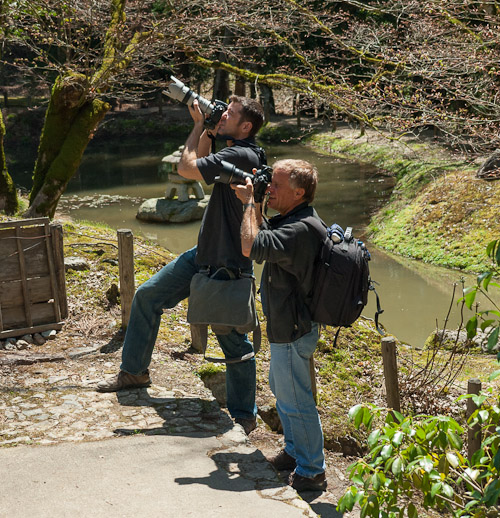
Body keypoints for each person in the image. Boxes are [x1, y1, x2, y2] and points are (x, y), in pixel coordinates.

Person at [97, 94, 266, 435]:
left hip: (228, 263)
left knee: (232, 340)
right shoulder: (237, 151)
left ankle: (245, 415)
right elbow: (202, 164)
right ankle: (134, 372)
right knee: (148, 296)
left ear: (245, 126)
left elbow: (186, 169)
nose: (223, 114)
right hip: (203, 254)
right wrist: (205, 129)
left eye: (230, 114)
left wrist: (200, 125)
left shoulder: (241, 154)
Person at [230, 159, 327, 492]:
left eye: (277, 185)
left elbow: (250, 246)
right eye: (269, 182)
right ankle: (294, 451)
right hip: (287, 325)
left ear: (298, 192)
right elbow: (264, 237)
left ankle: (313, 470)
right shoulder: (294, 219)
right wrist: (257, 202)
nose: (270, 187)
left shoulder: (300, 229)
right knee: (285, 393)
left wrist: (247, 204)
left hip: (294, 328)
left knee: (296, 400)